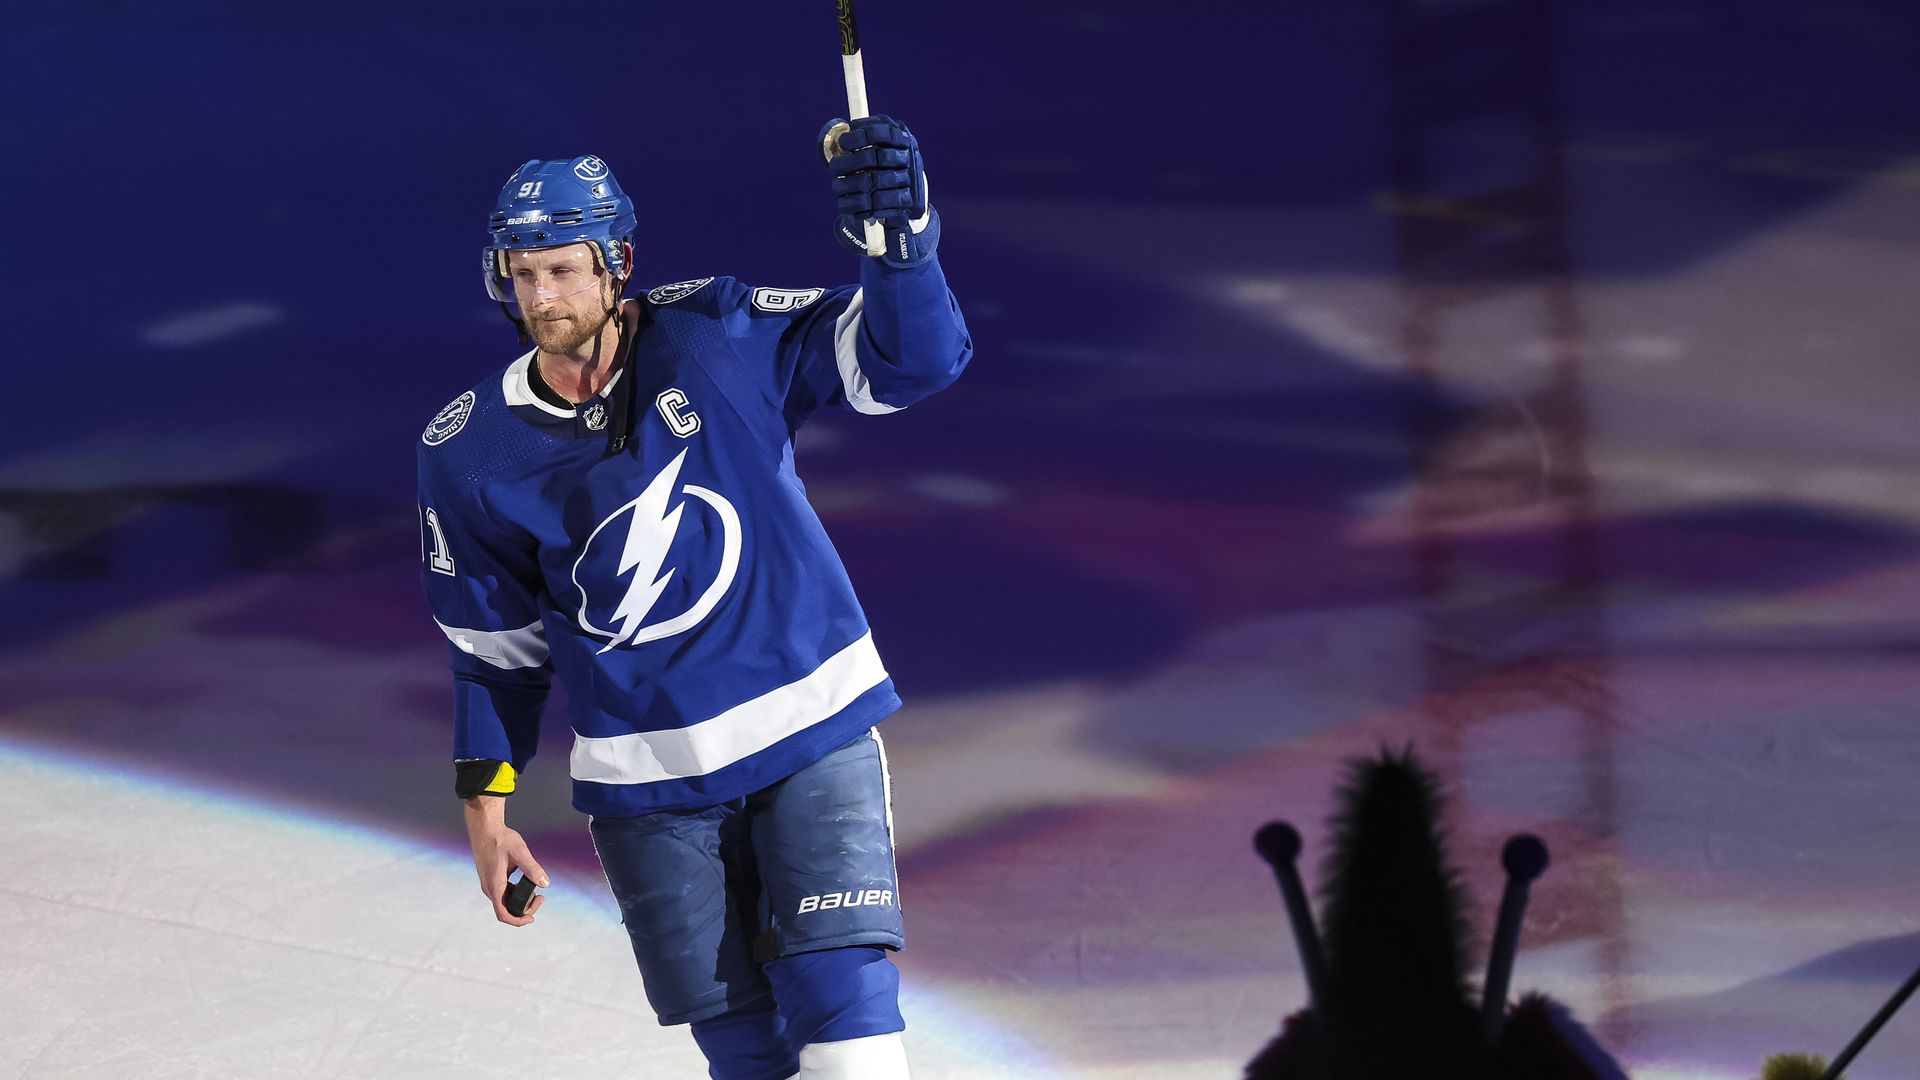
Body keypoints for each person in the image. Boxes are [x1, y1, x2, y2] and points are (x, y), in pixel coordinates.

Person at [416, 116, 970, 1080]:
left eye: (563, 269)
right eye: (523, 272)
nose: (542, 296)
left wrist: (904, 248)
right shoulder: (466, 451)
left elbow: (910, 362)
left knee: (850, 1029)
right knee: (747, 1057)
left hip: (809, 728)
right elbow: (493, 652)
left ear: (616, 261)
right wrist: (487, 810)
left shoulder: (720, 331)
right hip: (647, 787)